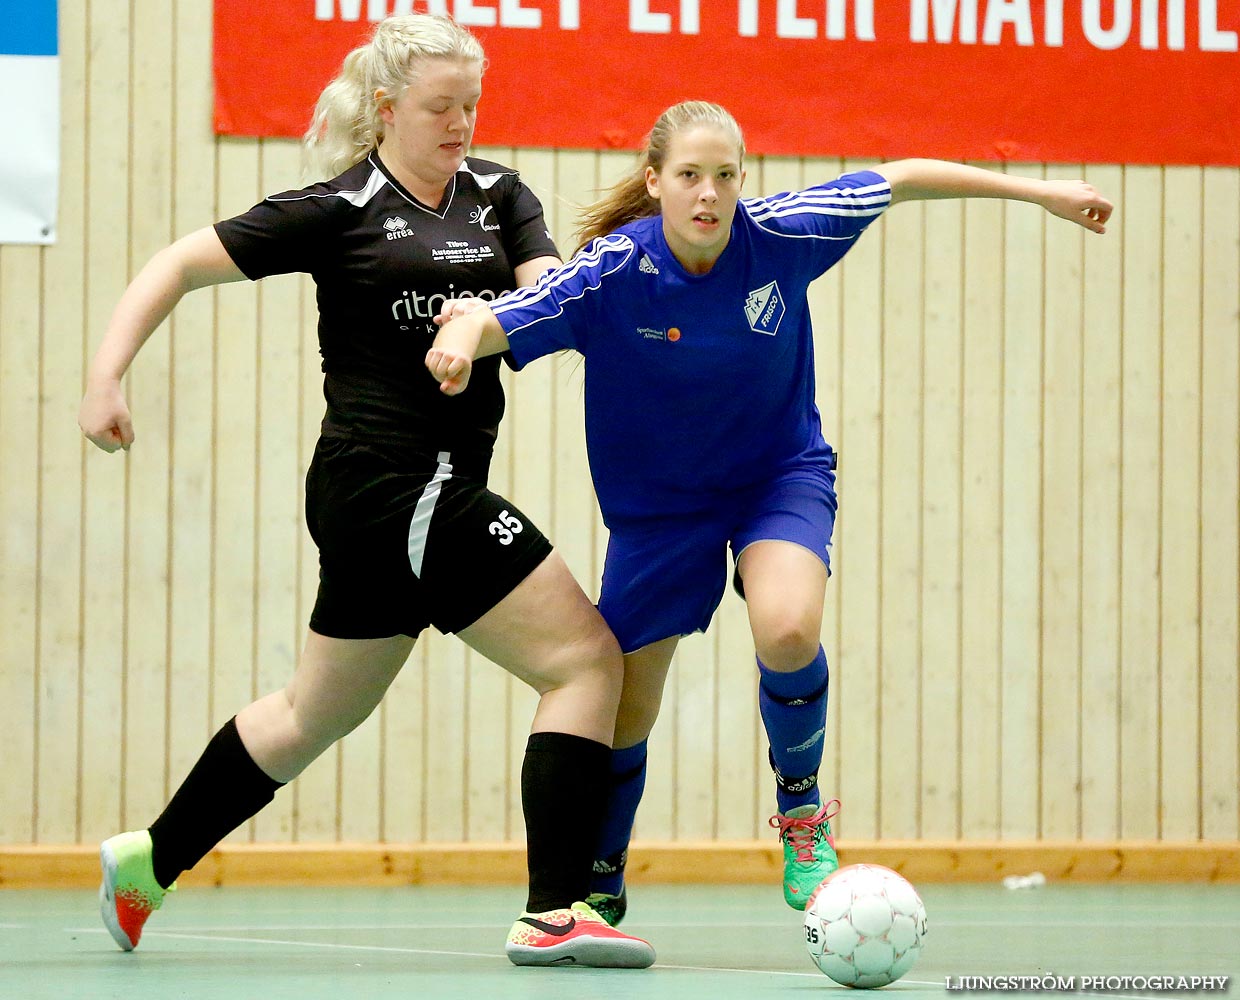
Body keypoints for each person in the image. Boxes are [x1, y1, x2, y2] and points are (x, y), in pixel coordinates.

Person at [426, 100, 1114, 924]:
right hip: (658, 511)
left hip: (775, 477)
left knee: (788, 627)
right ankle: (603, 871)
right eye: (688, 176)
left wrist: (1040, 192)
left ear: (741, 181)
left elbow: (904, 178)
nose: (708, 194)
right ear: (655, 182)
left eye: (724, 176)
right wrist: (464, 339)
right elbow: (507, 318)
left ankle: (801, 811)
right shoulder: (613, 272)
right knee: (624, 706)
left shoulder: (783, 232)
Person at [78, 14, 655, 969]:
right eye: (439, 107)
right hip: (387, 483)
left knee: (313, 715)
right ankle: (557, 912)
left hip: (419, 495)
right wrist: (106, 376)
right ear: (387, 109)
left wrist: (502, 311)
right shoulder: (338, 209)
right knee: (586, 661)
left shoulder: (500, 194)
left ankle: (148, 862)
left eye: (471, 104)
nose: (460, 123)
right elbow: (176, 264)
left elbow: (546, 284)